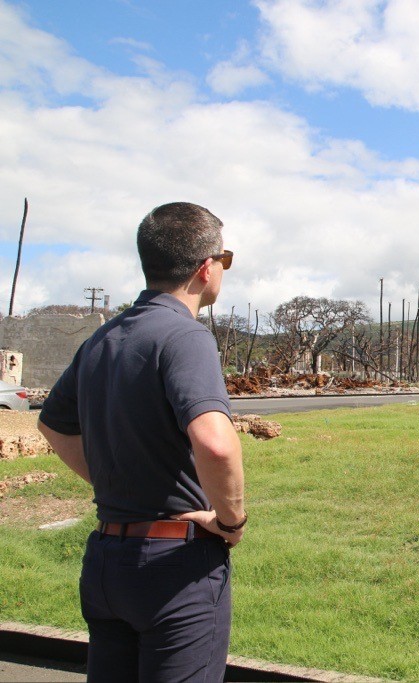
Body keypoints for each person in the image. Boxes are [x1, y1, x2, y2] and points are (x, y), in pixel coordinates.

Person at [38, 202, 246, 682]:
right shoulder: (185, 337)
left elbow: (52, 425)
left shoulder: (102, 340)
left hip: (107, 560)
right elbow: (215, 443)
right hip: (174, 568)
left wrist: (121, 485)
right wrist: (232, 520)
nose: (223, 269)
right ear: (205, 267)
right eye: (226, 258)